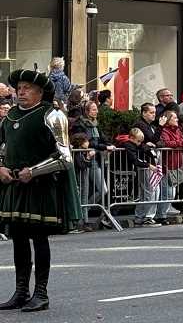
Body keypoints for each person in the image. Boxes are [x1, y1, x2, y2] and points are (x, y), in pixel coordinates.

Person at [0, 69, 81, 312]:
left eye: (27, 88)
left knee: (39, 238)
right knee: (19, 240)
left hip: (41, 186)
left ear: (40, 92)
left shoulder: (52, 114)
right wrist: (1, 167)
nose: (21, 91)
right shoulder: (10, 116)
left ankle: (41, 293)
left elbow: (65, 157)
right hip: (15, 186)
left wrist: (33, 171)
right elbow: (4, 148)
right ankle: (21, 291)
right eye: (19, 87)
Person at [156, 111, 183, 223]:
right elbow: (166, 143)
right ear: (168, 119)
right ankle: (161, 215)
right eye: (174, 118)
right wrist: (181, 143)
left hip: (176, 165)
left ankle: (162, 214)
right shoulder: (165, 131)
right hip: (167, 165)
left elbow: (182, 139)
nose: (177, 120)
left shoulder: (178, 130)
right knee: (168, 192)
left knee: (172, 192)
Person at [122, 128, 161, 227]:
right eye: (138, 141)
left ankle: (140, 216)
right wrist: (149, 165)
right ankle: (146, 217)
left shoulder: (137, 145)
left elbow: (142, 148)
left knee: (147, 193)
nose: (139, 143)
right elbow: (134, 159)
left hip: (142, 168)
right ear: (131, 138)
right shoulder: (128, 145)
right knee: (148, 193)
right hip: (140, 169)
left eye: (141, 141)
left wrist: (147, 146)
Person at [70, 133, 95, 233]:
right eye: (86, 141)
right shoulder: (76, 153)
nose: (88, 142)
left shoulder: (82, 152)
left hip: (82, 179)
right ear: (81, 142)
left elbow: (87, 165)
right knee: (79, 198)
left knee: (84, 198)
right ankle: (77, 223)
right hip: (77, 179)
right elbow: (81, 165)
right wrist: (88, 157)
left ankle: (84, 221)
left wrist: (88, 157)